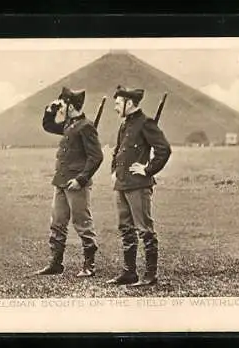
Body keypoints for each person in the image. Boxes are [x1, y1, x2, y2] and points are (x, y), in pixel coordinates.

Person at [106, 85, 172, 286]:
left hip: (138, 186)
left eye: (118, 104)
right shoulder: (124, 125)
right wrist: (113, 171)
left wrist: (147, 169)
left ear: (130, 103)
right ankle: (129, 272)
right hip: (122, 184)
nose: (116, 108)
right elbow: (118, 150)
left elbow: (164, 149)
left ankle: (150, 275)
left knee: (145, 230)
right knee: (125, 228)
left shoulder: (146, 123)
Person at [35, 86, 104, 277]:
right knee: (57, 222)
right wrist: (50, 111)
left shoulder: (86, 126)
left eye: (63, 104)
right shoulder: (69, 125)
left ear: (71, 105)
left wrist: (81, 180)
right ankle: (55, 264)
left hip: (76, 184)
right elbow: (48, 126)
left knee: (82, 223)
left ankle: (89, 266)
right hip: (61, 182)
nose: (60, 107)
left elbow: (96, 157)